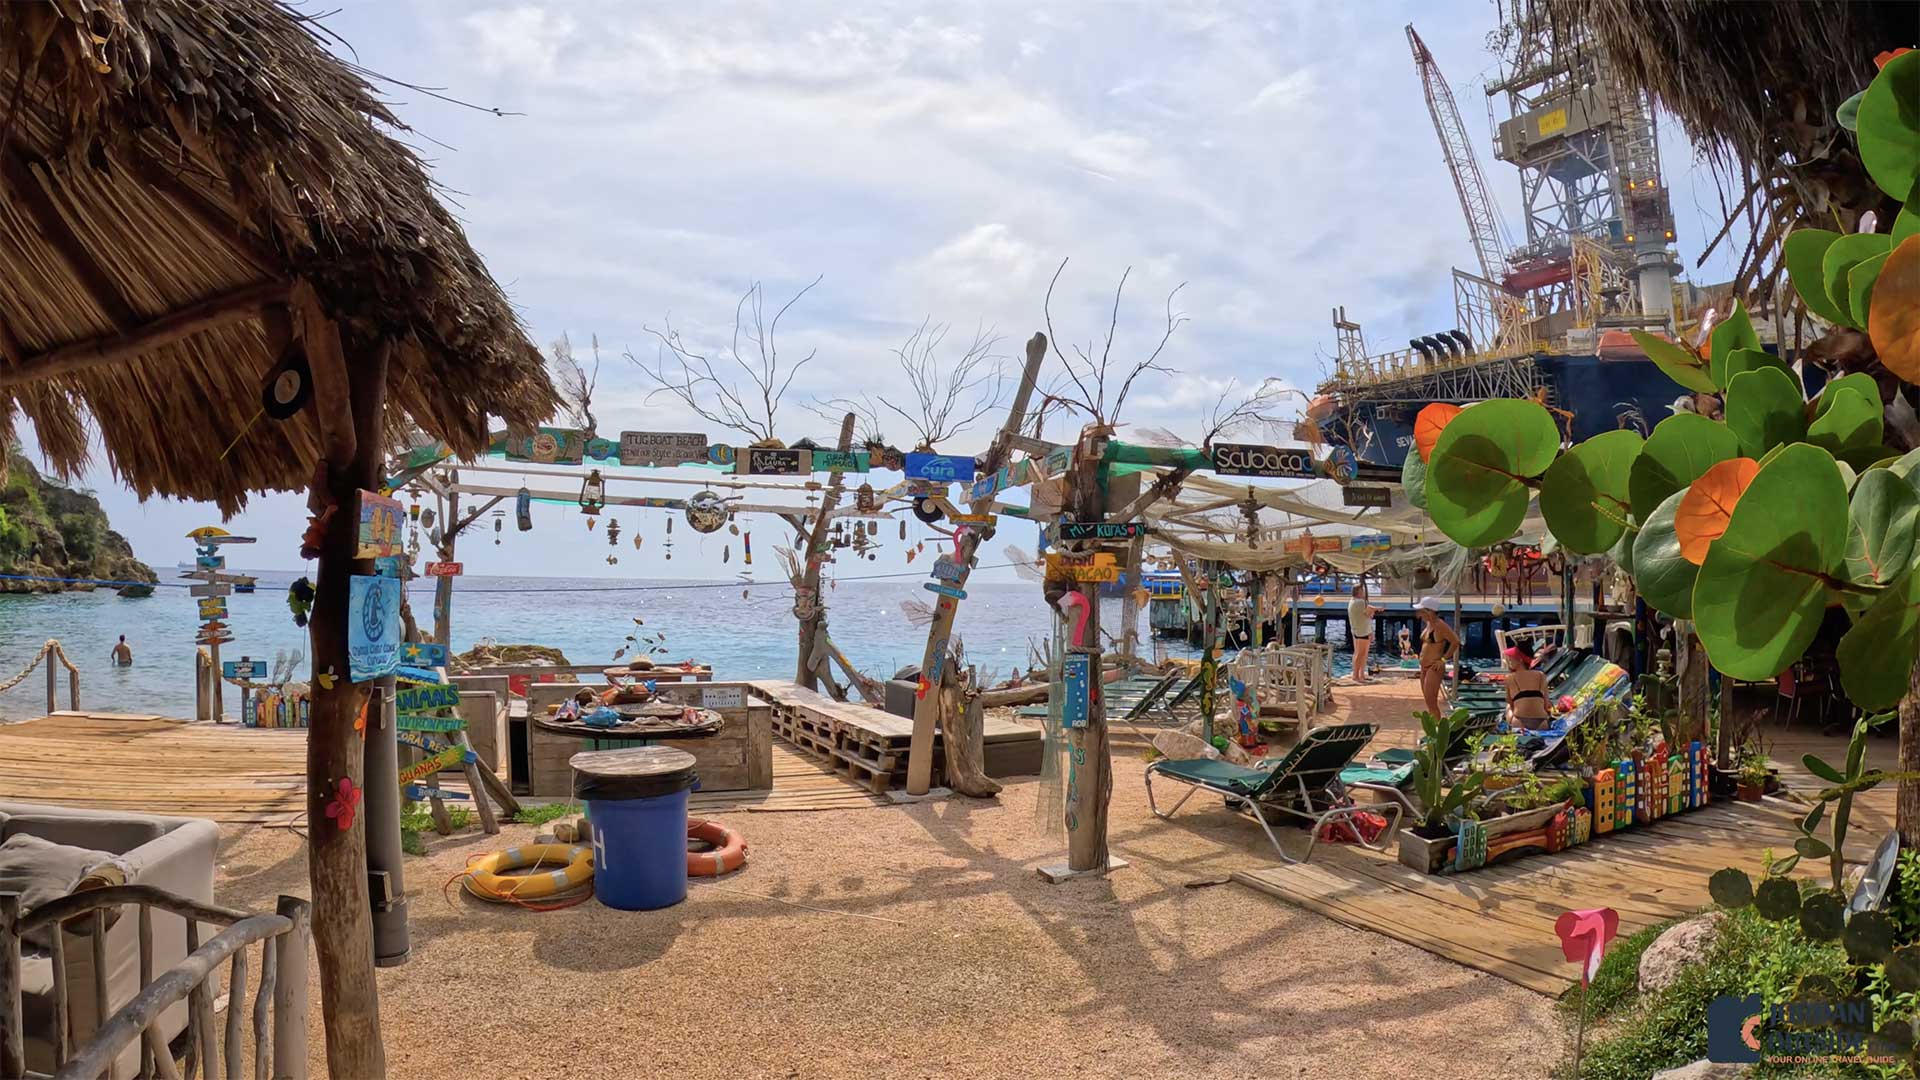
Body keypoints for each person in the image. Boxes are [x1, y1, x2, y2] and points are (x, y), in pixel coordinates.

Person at [1414, 597, 1459, 718]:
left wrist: (1443, 660)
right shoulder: (1428, 623)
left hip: (1433, 667)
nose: (1420, 614)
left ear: (1430, 611)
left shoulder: (1440, 625)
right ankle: (1433, 729)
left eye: (1422, 611)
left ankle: (1437, 731)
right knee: (1428, 702)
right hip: (1424, 667)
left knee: (1432, 702)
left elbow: (1455, 642)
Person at [1503, 642, 1551, 729]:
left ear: (1520, 660)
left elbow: (1510, 703)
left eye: (1511, 658)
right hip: (1541, 723)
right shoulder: (1541, 675)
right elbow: (1546, 704)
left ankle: (1510, 726)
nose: (1509, 660)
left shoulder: (1510, 678)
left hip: (1519, 723)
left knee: (1508, 707)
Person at [1347, 583, 1381, 683]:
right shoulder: (1361, 602)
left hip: (1356, 630)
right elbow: (1369, 613)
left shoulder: (1353, 601)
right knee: (1361, 654)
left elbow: (1367, 611)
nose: (1365, 593)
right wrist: (1376, 609)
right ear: (1359, 592)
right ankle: (1356, 676)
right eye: (1363, 591)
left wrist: (1374, 609)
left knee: (1359, 653)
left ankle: (1360, 674)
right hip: (1362, 631)